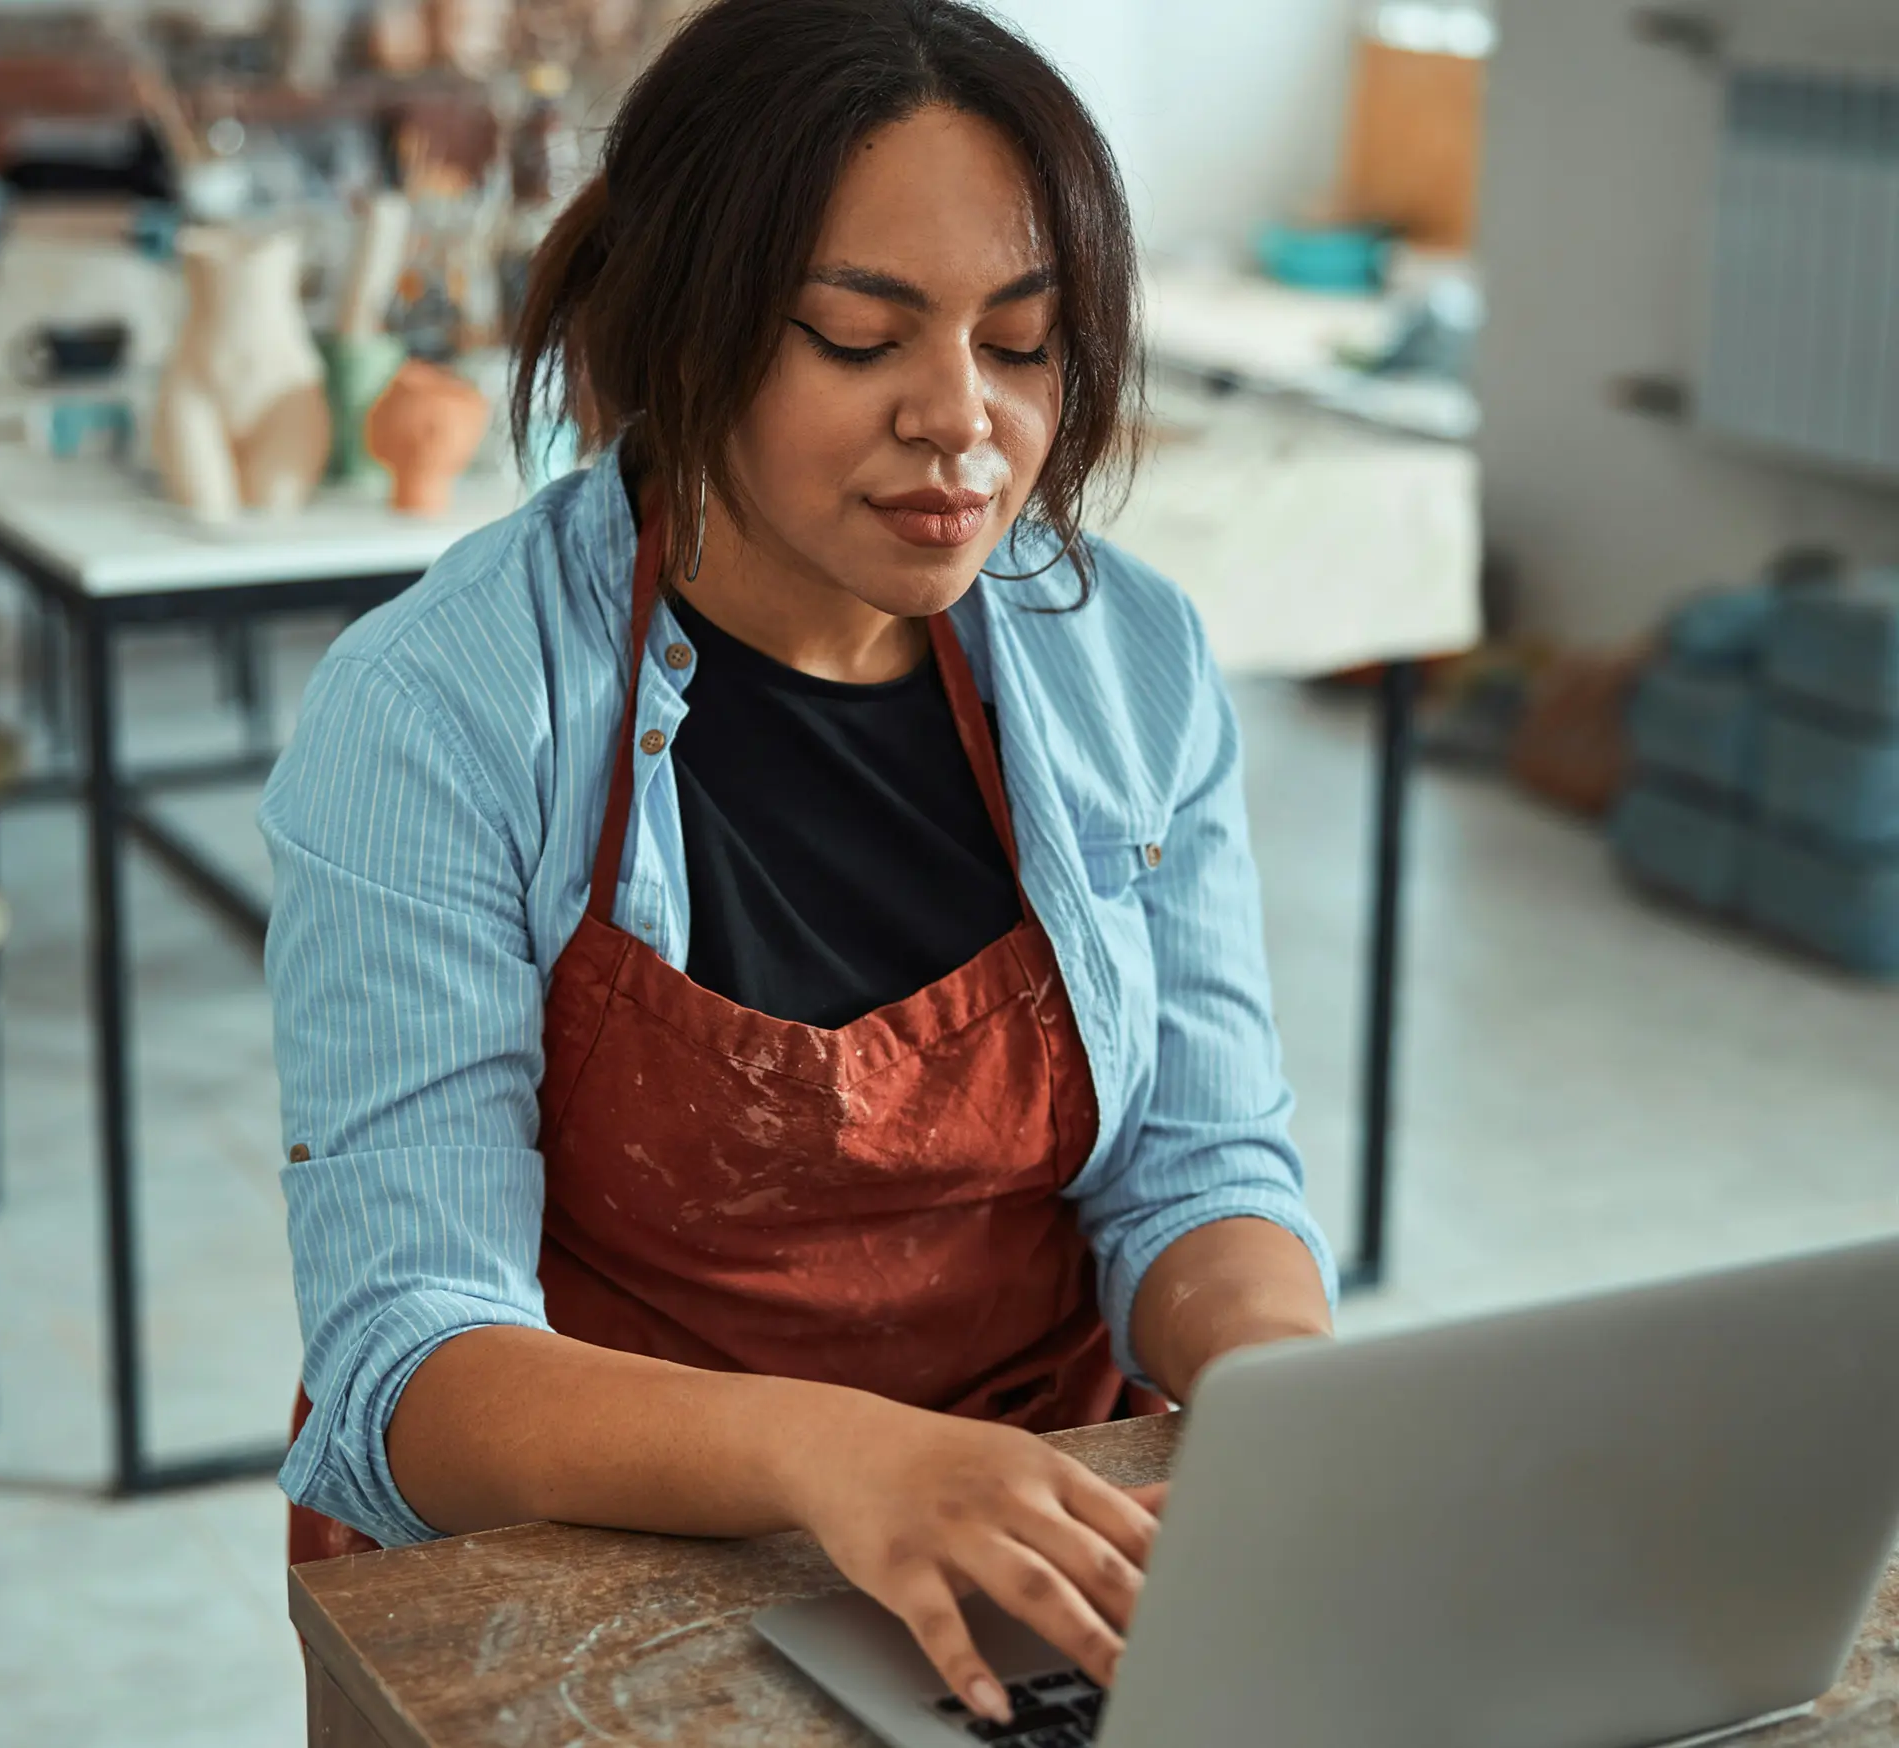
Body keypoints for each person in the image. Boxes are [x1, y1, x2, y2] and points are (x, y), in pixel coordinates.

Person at [259, 0, 1335, 1721]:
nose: (963, 424)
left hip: (1013, 1541)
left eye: (1027, 343)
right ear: (682, 329)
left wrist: (1288, 1413)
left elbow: (1196, 1173)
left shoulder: (1126, 659)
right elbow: (410, 1369)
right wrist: (848, 1461)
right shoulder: (446, 711)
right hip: (585, 1558)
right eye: (858, 337)